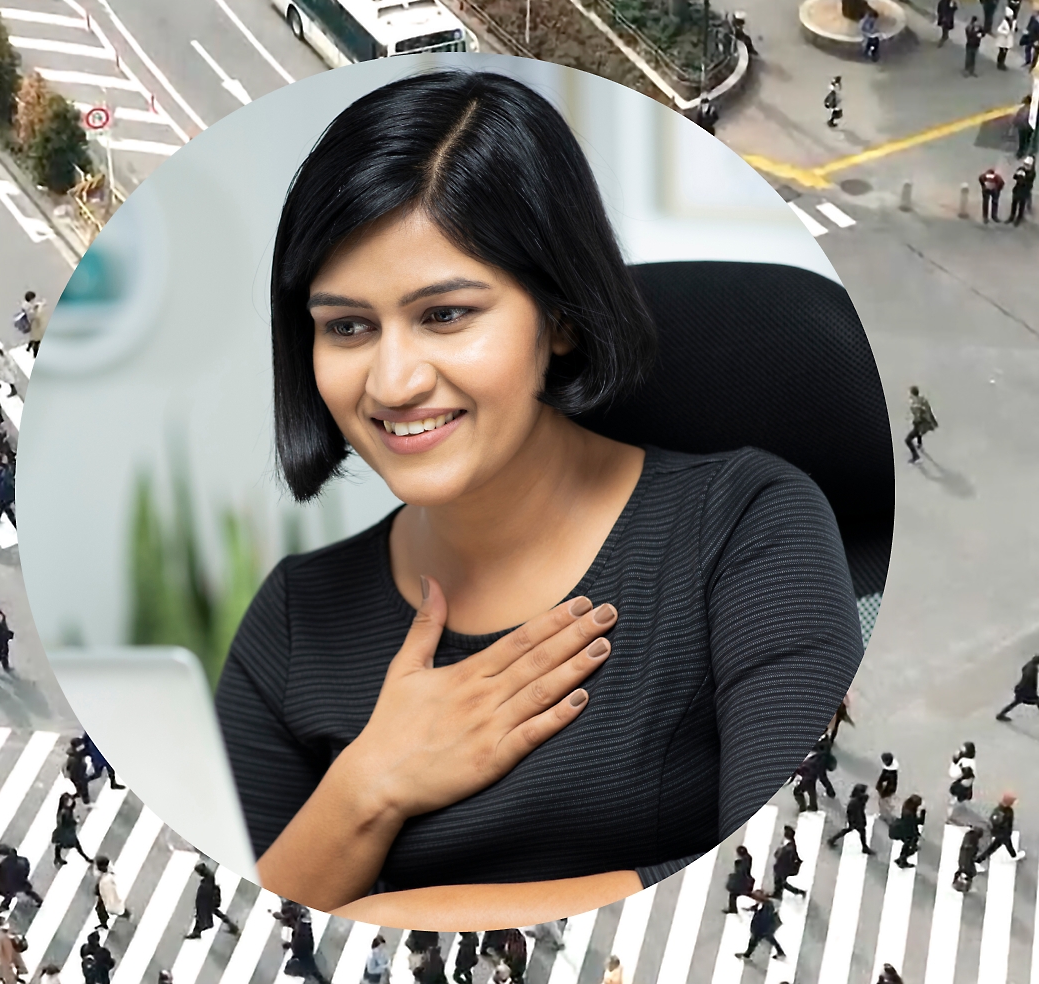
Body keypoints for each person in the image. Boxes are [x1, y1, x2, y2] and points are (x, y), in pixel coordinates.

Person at [217, 70, 864, 919]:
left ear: (561, 315)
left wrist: (378, 911)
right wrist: (370, 784)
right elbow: (254, 930)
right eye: (347, 326)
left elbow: (786, 874)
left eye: (446, 314)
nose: (393, 379)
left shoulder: (747, 527)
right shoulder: (294, 621)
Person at [186, 861, 239, 937]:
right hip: (210, 899)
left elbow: (206, 892)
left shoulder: (208, 879)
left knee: (201, 915)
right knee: (216, 913)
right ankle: (232, 927)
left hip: (208, 900)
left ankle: (197, 932)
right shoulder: (209, 876)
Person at [997, 654, 1039, 721]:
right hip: (1026, 689)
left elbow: (1024, 671)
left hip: (1021, 687)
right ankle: (1000, 715)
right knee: (1029, 701)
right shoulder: (1033, 669)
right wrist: (1033, 689)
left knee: (1019, 702)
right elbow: (1032, 680)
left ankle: (1001, 714)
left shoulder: (1029, 664)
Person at [976, 792, 1025, 865]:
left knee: (1007, 845)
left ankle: (1013, 855)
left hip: (999, 833)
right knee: (993, 848)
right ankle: (978, 860)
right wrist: (1006, 833)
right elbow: (1007, 824)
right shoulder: (1008, 811)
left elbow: (992, 820)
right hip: (1003, 834)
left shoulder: (998, 809)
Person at [735, 891, 785, 961]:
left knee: (754, 941)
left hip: (762, 928)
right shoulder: (764, 903)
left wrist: (756, 927)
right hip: (763, 928)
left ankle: (747, 955)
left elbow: (764, 918)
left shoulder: (767, 905)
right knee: (769, 939)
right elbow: (756, 908)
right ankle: (780, 952)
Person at [828, 783, 876, 854]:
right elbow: (852, 812)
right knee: (860, 831)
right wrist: (854, 821)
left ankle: (832, 840)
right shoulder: (854, 802)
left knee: (850, 830)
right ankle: (864, 848)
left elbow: (861, 809)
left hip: (857, 819)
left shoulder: (860, 799)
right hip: (855, 820)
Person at [0, 843, 43, 912]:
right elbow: (26, 869)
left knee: (9, 895)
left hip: (11, 884)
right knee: (27, 891)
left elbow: (2, 878)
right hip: (21, 880)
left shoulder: (3, 865)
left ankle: (4, 906)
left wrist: (2, 888)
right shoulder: (22, 860)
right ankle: (39, 900)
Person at [51, 792, 93, 867]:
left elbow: (72, 805)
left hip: (64, 831)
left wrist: (76, 796)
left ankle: (57, 858)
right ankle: (86, 858)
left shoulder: (65, 809)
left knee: (60, 845)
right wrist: (76, 821)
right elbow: (67, 822)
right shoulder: (65, 812)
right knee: (76, 845)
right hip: (66, 832)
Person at [93, 854, 132, 929]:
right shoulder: (109, 876)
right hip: (111, 900)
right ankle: (105, 922)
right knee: (100, 909)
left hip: (110, 902)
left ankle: (105, 922)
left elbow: (100, 891)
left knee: (101, 909)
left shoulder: (103, 881)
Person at [288, 909, 326, 982]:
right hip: (304, 952)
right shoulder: (304, 928)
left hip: (303, 952)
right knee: (315, 973)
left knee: (315, 972)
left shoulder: (302, 928)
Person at [891, 794, 926, 868]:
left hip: (905, 831)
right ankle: (902, 859)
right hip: (909, 832)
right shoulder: (910, 814)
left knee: (907, 846)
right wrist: (923, 813)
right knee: (912, 847)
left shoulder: (907, 809)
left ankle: (901, 858)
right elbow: (917, 822)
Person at [771, 825, 805, 898]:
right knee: (779, 882)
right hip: (781, 866)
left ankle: (797, 892)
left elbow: (783, 855)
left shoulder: (790, 846)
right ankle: (779, 893)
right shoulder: (790, 843)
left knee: (780, 882)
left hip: (783, 867)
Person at [947, 741, 977, 823]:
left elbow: (954, 774)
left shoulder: (965, 762)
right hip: (965, 784)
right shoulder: (970, 761)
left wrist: (954, 762)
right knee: (961, 801)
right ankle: (960, 815)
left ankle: (954, 817)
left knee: (956, 802)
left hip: (962, 785)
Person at [906, 386, 937, 463]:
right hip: (922, 423)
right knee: (918, 431)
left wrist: (915, 419)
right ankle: (919, 444)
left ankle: (915, 456)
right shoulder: (923, 400)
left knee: (907, 440)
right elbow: (928, 411)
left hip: (920, 423)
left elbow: (918, 415)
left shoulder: (915, 404)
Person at [0, 916, 28, 984]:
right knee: (9, 978)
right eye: (4, 923)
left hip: (10, 959)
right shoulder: (1, 937)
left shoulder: (7, 934)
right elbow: (0, 951)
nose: (7, 924)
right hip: (7, 962)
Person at [724, 844, 755, 913]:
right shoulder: (748, 858)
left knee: (733, 895)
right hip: (745, 880)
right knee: (735, 895)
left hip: (742, 882)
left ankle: (733, 909)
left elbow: (741, 872)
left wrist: (732, 876)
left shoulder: (744, 862)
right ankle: (734, 908)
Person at [1007, 156, 1037, 225]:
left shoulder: (1032, 173)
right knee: (1014, 203)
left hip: (1025, 190)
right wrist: (1018, 175)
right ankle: (1012, 216)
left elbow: (1028, 181)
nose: (1025, 166)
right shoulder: (1020, 169)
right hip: (1017, 189)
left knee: (1021, 205)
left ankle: (1019, 218)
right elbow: (1014, 177)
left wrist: (1022, 177)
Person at [953, 826, 983, 893]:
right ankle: (964, 886)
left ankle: (964, 886)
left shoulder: (969, 835)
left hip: (966, 852)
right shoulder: (972, 837)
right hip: (966, 853)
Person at [20, 291, 48, 357]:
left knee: (32, 338)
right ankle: (35, 354)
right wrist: (40, 308)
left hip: (30, 325)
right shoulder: (29, 308)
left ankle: (28, 348)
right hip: (34, 325)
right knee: (37, 340)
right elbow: (35, 316)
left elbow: (31, 309)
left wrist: (36, 306)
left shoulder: (25, 304)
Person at [875, 751, 899, 826]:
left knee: (884, 804)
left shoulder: (889, 775)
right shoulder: (892, 772)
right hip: (888, 791)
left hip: (886, 792)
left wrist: (882, 793)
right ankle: (888, 815)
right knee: (887, 804)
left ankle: (887, 818)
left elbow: (887, 784)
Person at [65, 740, 93, 804]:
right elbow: (74, 772)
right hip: (78, 776)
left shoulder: (76, 753)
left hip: (79, 774)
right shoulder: (74, 760)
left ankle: (78, 794)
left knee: (80, 787)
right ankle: (86, 801)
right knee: (82, 787)